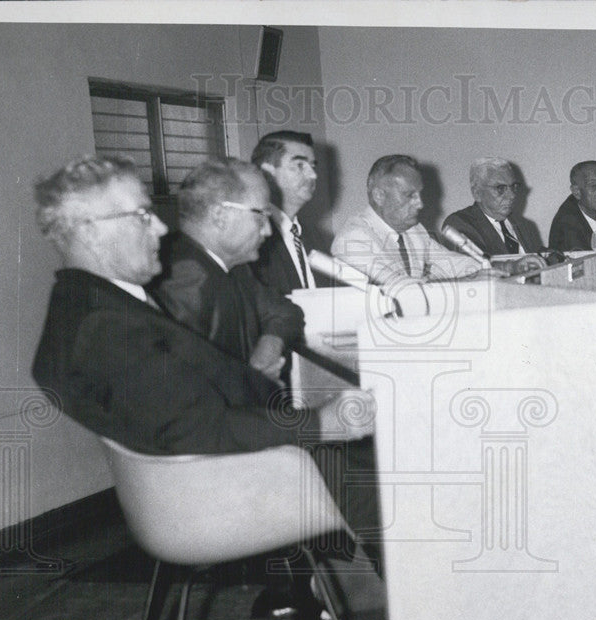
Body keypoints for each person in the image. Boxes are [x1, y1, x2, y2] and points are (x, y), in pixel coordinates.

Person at [31, 154, 371, 457]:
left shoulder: (102, 305)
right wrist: (321, 423)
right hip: (253, 470)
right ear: (90, 232)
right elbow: (200, 428)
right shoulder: (106, 326)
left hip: (263, 441)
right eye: (143, 215)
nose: (163, 228)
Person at [149, 157, 302, 385]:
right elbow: (187, 386)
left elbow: (285, 311)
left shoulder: (234, 267)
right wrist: (252, 380)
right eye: (261, 217)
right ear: (220, 216)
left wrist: (270, 342)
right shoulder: (182, 279)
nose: (268, 231)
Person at [331, 154, 481, 286]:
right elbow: (403, 289)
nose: (420, 204)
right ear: (379, 196)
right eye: (410, 195)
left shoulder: (414, 231)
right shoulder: (352, 240)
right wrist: (472, 278)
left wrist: (493, 269)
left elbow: (453, 264)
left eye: (419, 194)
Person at [251, 130, 331, 295]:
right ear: (267, 172)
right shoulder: (253, 240)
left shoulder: (316, 238)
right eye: (300, 165)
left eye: (313, 165)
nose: (313, 175)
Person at [442, 157, 544, 257]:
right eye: (500, 188)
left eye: (514, 186)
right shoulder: (459, 224)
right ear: (477, 193)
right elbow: (474, 268)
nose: (512, 195)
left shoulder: (525, 226)